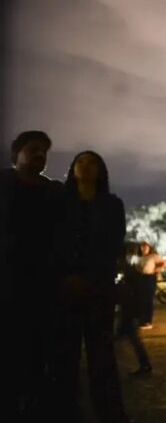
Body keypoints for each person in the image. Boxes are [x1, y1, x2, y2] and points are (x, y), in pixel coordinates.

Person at [53, 151, 129, 423]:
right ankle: (67, 410)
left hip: (99, 287)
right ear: (72, 169)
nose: (85, 167)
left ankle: (109, 411)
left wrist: (95, 276)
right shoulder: (60, 202)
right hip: (66, 286)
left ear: (101, 170)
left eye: (91, 162)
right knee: (66, 353)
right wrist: (67, 274)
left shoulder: (111, 205)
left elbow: (113, 244)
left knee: (102, 354)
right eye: (80, 162)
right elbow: (54, 242)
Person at [0, 131, 63, 420]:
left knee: (40, 348)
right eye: (33, 149)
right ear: (17, 153)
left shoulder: (54, 191)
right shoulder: (3, 183)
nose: (40, 155)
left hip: (44, 282)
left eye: (44, 151)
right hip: (9, 279)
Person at [117, 242, 152, 377]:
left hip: (130, 309)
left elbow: (134, 292)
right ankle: (142, 364)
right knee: (126, 337)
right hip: (129, 308)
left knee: (131, 337)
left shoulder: (129, 270)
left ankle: (144, 365)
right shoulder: (129, 269)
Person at [138, 242, 166, 329]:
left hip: (149, 278)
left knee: (148, 300)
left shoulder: (153, 256)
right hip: (142, 278)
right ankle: (142, 320)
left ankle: (148, 321)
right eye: (142, 247)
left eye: (146, 247)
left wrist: (156, 269)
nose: (144, 249)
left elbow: (164, 263)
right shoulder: (141, 258)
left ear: (149, 248)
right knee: (142, 300)